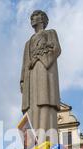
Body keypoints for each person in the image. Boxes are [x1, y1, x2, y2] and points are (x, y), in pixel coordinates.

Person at [20, 10, 61, 138]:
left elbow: (56, 49)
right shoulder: (28, 43)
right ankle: (33, 139)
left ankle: (45, 137)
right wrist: (22, 80)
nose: (32, 18)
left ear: (43, 19)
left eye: (35, 16)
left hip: (44, 71)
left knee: (44, 101)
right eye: (31, 16)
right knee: (32, 106)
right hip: (30, 78)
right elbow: (24, 63)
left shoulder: (50, 33)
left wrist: (39, 57)